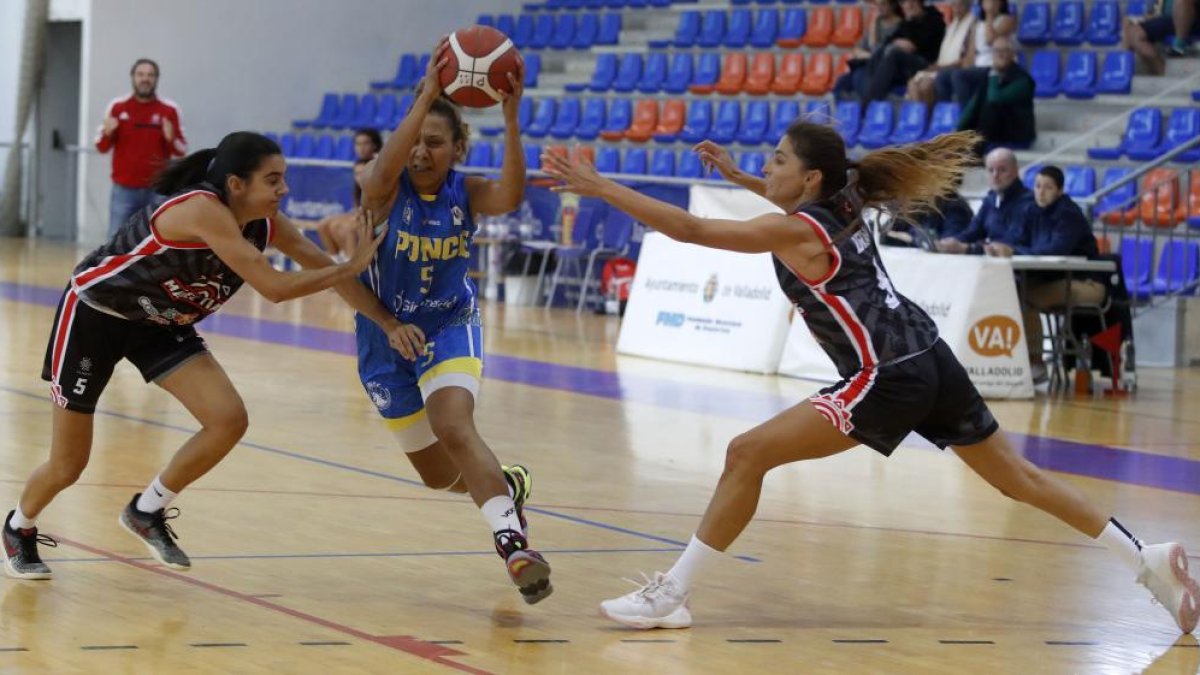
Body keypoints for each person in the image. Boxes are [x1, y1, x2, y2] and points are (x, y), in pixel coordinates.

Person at [543, 126, 1198, 635]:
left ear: (811, 177)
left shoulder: (796, 228)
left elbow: (690, 227)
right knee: (1020, 479)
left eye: (775, 160)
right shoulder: (844, 198)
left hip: (884, 374)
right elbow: (778, 205)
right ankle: (1149, 557)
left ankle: (672, 595)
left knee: (746, 452)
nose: (766, 166)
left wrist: (599, 186)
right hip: (928, 355)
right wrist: (741, 175)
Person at [2, 132, 385, 579]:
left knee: (227, 418)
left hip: (159, 324)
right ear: (237, 184)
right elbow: (277, 289)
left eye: (284, 179)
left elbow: (324, 269)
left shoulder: (266, 223)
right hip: (96, 315)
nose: (285, 190)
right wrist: (348, 266)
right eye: (273, 180)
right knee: (69, 464)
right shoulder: (201, 209)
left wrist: (388, 322)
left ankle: (146, 510)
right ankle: (18, 526)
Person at [344, 42, 553, 604]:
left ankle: (513, 544)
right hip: (385, 336)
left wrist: (511, 119)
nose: (419, 153)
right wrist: (425, 98)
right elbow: (377, 174)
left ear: (459, 148)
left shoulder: (468, 192)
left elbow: (511, 194)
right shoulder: (386, 192)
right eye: (414, 142)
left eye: (434, 144)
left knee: (455, 427)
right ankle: (505, 488)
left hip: (448, 324)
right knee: (438, 475)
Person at [985, 166, 1105, 383]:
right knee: (1016, 292)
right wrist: (998, 246)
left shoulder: (1068, 214)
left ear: (1059, 191)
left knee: (1022, 297)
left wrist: (1014, 252)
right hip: (1056, 281)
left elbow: (1055, 250)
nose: (1041, 192)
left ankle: (1036, 363)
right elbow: (1016, 239)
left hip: (1087, 284)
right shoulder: (1032, 210)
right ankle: (1026, 361)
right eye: (1038, 186)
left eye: (1048, 188)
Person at [95, 58, 188, 238]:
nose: (145, 79)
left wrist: (171, 137)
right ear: (133, 77)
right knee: (116, 239)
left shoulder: (169, 110)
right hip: (124, 190)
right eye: (141, 74)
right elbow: (101, 146)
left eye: (150, 75)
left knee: (160, 239)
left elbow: (181, 150)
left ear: (156, 79)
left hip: (158, 189)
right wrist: (107, 132)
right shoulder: (117, 107)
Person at [937, 147, 1033, 254]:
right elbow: (973, 232)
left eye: (1002, 170)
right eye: (991, 170)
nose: (995, 175)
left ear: (1015, 171)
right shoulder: (990, 199)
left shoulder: (1029, 203)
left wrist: (969, 249)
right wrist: (952, 242)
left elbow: (1008, 244)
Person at [955, 37, 1036, 150]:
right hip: (995, 133)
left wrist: (994, 74)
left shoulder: (1023, 80)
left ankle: (978, 147)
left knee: (991, 105)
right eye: (997, 51)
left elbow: (995, 98)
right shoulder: (987, 76)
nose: (1000, 55)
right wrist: (957, 132)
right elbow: (973, 106)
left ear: (1013, 54)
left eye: (1004, 51)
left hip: (1016, 134)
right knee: (979, 105)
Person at [859, 0, 946, 102]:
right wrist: (898, 42)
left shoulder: (934, 19)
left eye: (910, 3)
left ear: (918, 3)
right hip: (907, 65)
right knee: (878, 53)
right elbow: (889, 41)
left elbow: (917, 45)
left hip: (926, 64)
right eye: (903, 3)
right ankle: (859, 100)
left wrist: (909, 42)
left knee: (894, 54)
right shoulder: (907, 22)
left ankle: (869, 102)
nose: (907, 6)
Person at [944, 0, 1018, 105]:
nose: (990, 4)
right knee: (943, 77)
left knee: (959, 76)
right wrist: (966, 68)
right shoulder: (977, 24)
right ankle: (945, 115)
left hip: (996, 67)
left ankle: (968, 116)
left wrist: (989, 13)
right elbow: (971, 53)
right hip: (978, 67)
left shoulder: (1008, 20)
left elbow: (990, 40)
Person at [906, 0, 977, 107]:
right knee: (912, 83)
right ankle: (920, 120)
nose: (956, 7)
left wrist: (942, 67)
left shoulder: (972, 24)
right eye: (954, 4)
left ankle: (929, 119)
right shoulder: (952, 25)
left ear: (968, 5)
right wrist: (936, 66)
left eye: (960, 4)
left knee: (926, 86)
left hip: (953, 69)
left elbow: (967, 59)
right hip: (941, 67)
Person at [833, 0, 905, 100]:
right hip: (868, 64)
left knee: (859, 75)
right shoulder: (876, 23)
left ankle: (865, 109)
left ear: (892, 6)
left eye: (883, 4)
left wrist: (873, 31)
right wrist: (870, 55)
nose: (879, 8)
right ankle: (847, 113)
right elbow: (858, 49)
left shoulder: (901, 25)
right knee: (841, 83)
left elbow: (879, 50)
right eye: (877, 4)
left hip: (886, 70)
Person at [1123, 0, 1199, 75]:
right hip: (1168, 19)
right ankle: (1162, 72)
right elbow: (1152, 11)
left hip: (1193, 18)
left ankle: (1179, 46)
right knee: (1135, 33)